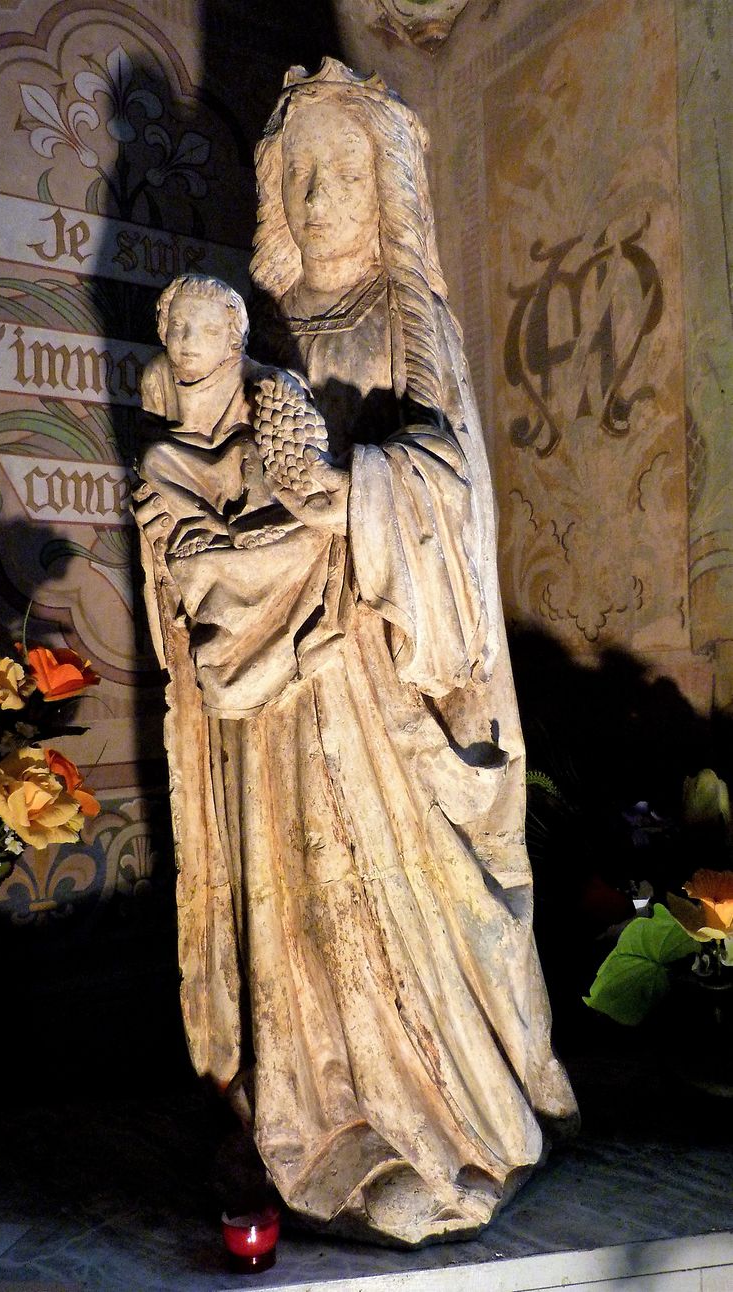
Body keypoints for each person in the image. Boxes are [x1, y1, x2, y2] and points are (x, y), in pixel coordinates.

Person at [135, 58, 577, 1248]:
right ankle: (325, 1121)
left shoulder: (407, 316)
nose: (321, 194)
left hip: (379, 674)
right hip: (283, 682)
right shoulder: (264, 329)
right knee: (302, 909)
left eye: (342, 170)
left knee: (402, 903)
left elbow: (451, 487)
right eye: (299, 174)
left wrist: (348, 494)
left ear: (385, 186)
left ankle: (438, 1123)